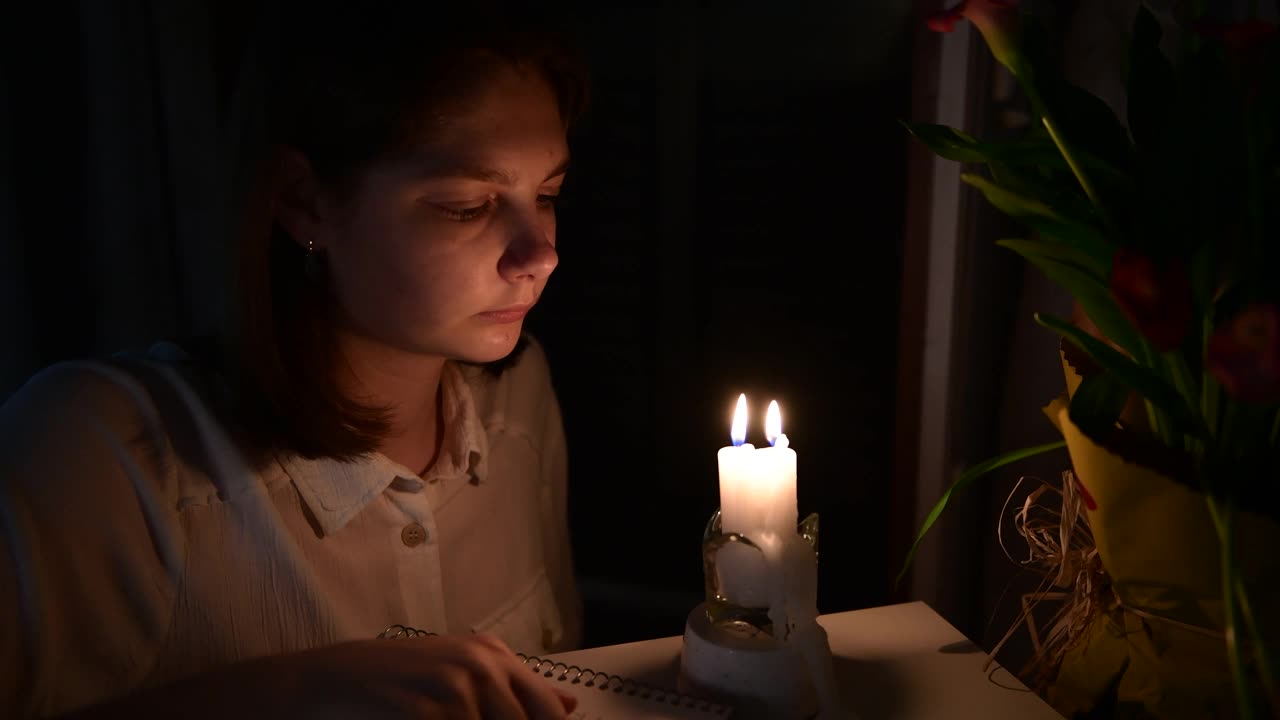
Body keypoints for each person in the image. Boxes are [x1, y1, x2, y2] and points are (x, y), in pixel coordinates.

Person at [0, 2, 587, 717]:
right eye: (467, 206)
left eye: (548, 194)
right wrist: (289, 690)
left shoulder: (518, 401)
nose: (541, 255)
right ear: (304, 203)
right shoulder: (100, 454)